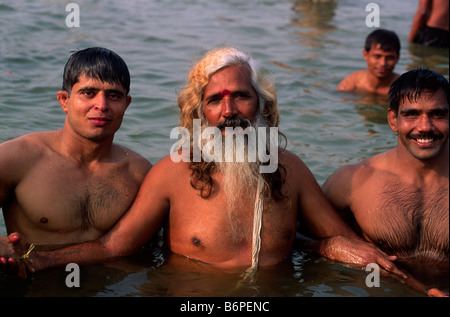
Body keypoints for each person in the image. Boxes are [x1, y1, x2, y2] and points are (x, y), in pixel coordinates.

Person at [4, 47, 404, 280]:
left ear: (262, 105)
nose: (229, 110)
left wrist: (416, 283)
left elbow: (338, 242)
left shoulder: (290, 170)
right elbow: (116, 246)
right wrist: (28, 259)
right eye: (214, 100)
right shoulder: (169, 173)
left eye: (241, 97)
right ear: (199, 113)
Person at [0, 47, 152, 277]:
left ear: (126, 104)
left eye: (114, 96)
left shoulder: (140, 174)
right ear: (64, 100)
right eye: (88, 93)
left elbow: (125, 246)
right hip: (33, 288)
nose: (101, 105)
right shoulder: (19, 158)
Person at [324, 68, 449, 296]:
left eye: (437, 114)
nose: (424, 127)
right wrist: (333, 246)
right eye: (411, 114)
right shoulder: (354, 181)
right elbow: (294, 238)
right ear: (393, 119)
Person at [337, 29, 401, 96]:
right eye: (377, 56)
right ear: (365, 55)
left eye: (389, 57)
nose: (383, 63)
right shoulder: (352, 84)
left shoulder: (401, 88)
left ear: (397, 58)